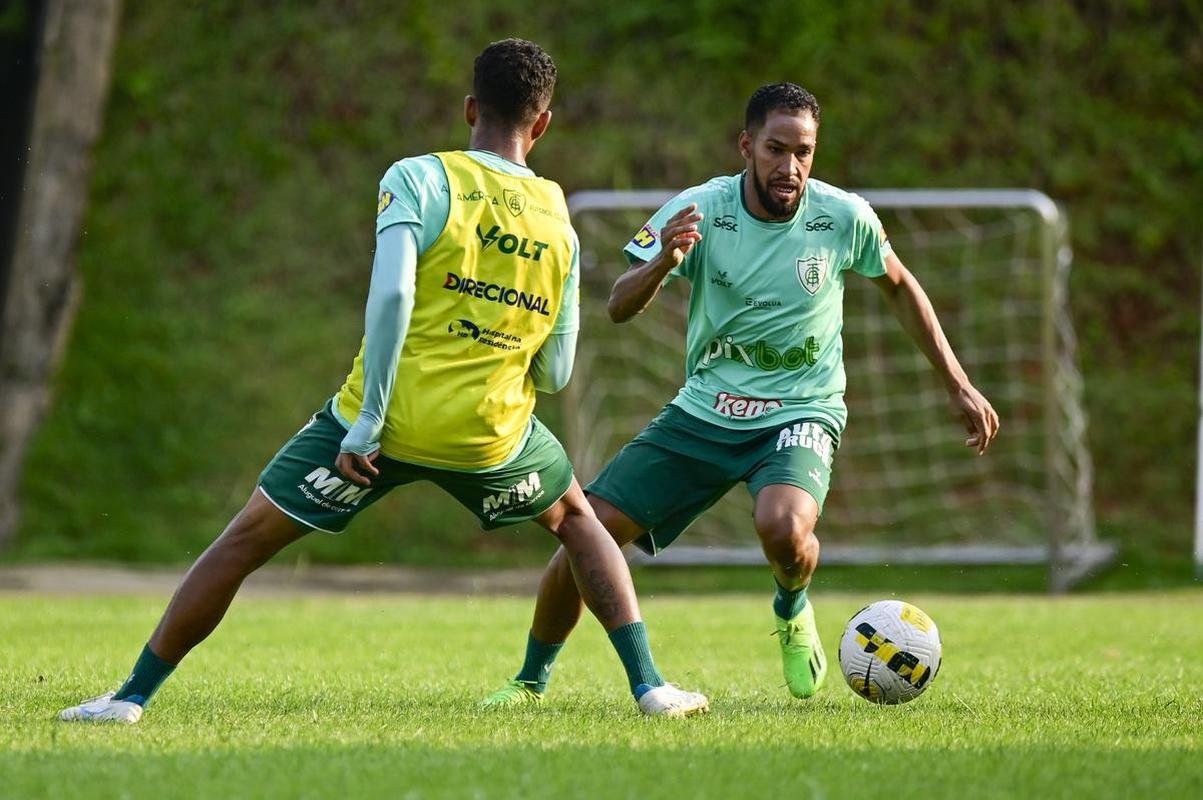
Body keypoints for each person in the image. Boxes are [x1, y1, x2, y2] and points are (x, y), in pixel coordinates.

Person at [59, 38, 708, 723]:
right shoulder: (558, 219)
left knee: (242, 542)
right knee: (579, 521)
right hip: (491, 438)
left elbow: (394, 296)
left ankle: (130, 699)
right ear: (542, 124)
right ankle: (650, 689)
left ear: (469, 110)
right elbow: (556, 370)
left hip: (376, 428)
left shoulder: (418, 177)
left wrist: (370, 416)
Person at [482, 82, 998, 707]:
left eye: (803, 152)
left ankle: (791, 604)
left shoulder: (844, 216)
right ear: (747, 145)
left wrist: (958, 382)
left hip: (802, 410)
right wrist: (663, 262)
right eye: (776, 150)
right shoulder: (701, 208)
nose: (790, 168)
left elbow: (899, 285)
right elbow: (618, 304)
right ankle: (529, 681)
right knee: (589, 530)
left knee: (781, 527)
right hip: (704, 410)